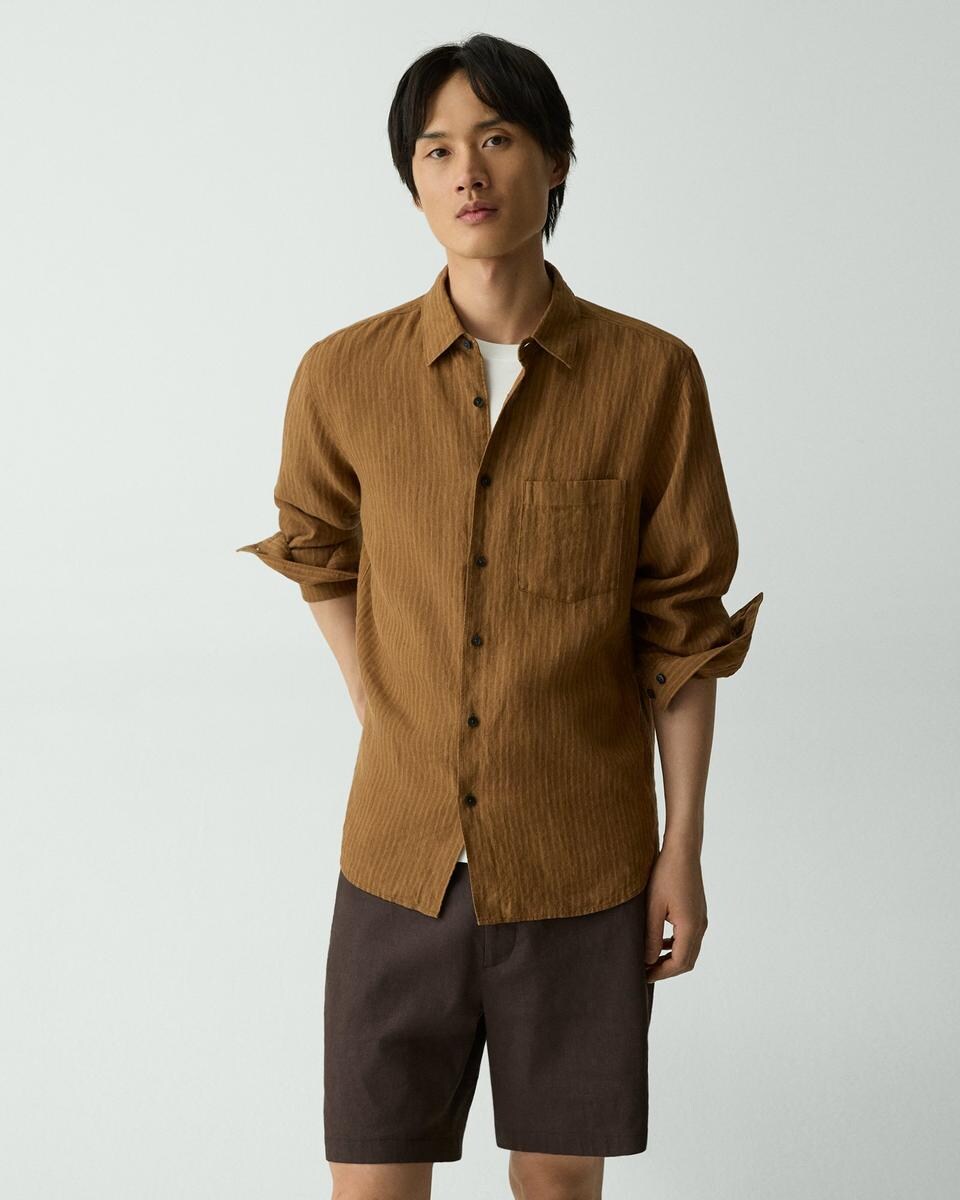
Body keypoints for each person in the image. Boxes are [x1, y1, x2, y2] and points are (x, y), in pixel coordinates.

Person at [237, 31, 763, 1200]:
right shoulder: (343, 376)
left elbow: (682, 630)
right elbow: (317, 547)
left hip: (584, 864)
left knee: (559, 1187)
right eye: (437, 149)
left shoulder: (651, 377)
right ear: (413, 181)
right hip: (398, 860)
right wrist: (373, 688)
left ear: (556, 160)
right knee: (372, 1185)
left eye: (498, 138)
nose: (467, 171)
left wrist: (682, 849)